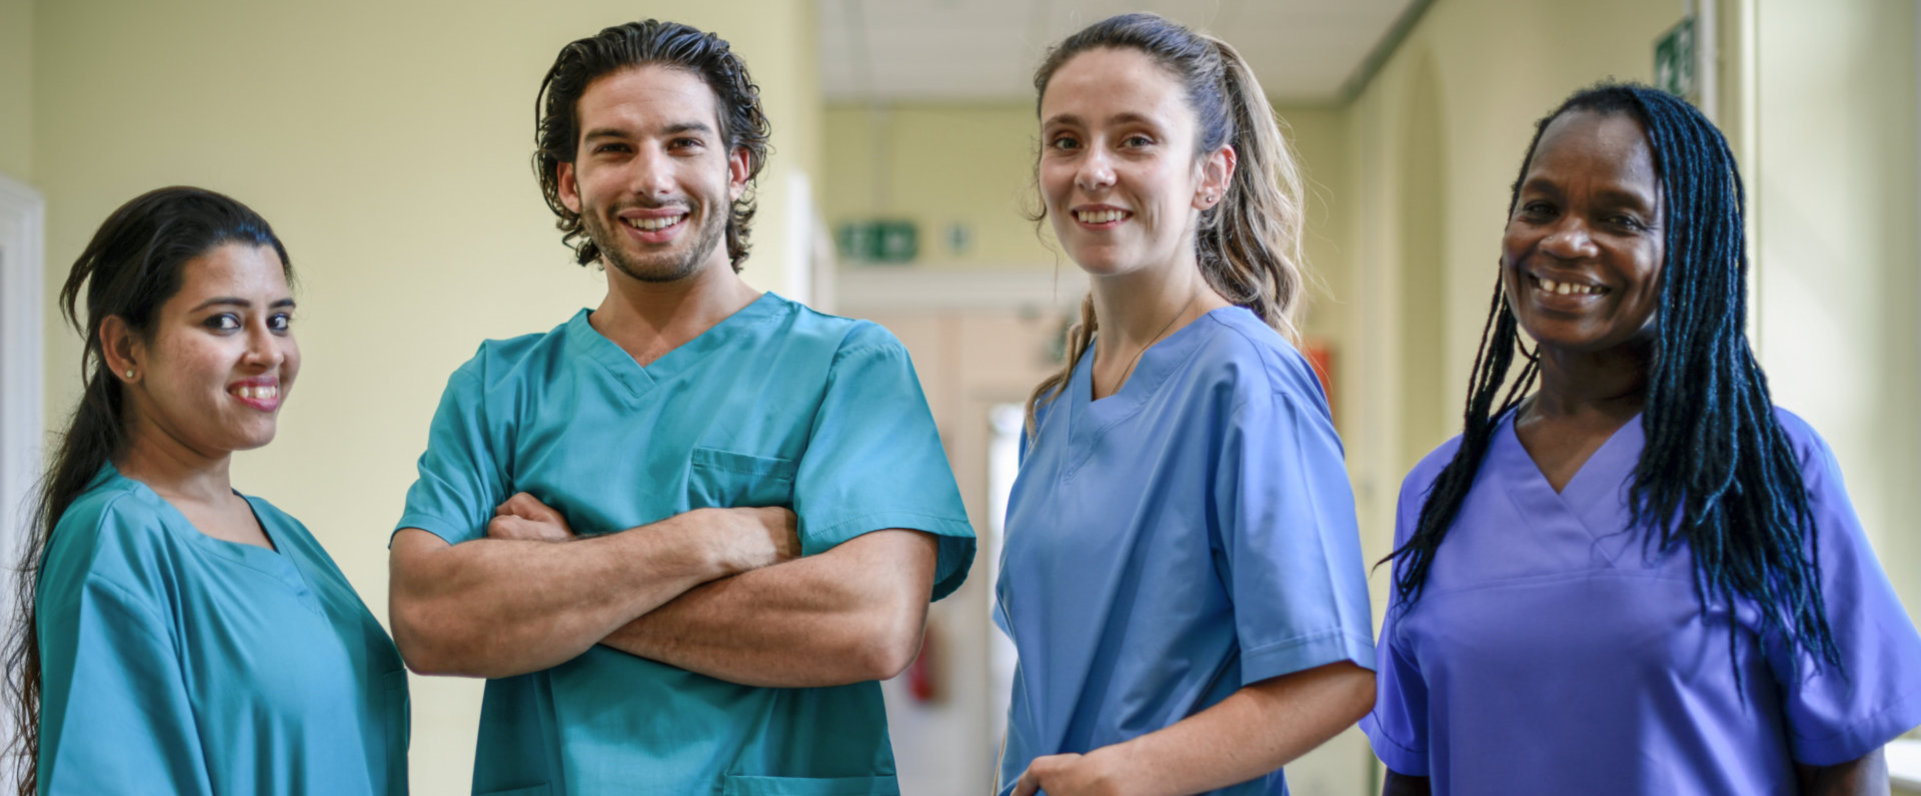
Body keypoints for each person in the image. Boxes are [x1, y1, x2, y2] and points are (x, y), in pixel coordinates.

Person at [386, 19, 975, 794]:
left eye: (683, 143)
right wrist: (708, 539)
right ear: (569, 182)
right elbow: (432, 622)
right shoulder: (502, 385)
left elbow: (868, 624)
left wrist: (563, 580)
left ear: (736, 168)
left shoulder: (846, 367)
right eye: (614, 148)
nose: (652, 179)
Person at [1365, 83, 1921, 795]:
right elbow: (1409, 774)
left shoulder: (1766, 468)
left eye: (1619, 218)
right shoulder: (1441, 490)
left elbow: (1843, 765)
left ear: (1690, 252)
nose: (1564, 240)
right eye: (1539, 208)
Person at [995, 13, 1376, 796]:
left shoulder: (1244, 378)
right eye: (1065, 141)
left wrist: (1126, 773)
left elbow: (1334, 675)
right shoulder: (1055, 408)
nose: (1092, 169)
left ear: (1210, 175)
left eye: (1134, 139)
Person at [5, 186, 409, 795]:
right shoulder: (118, 537)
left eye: (279, 320)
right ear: (124, 349)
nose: (269, 351)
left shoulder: (282, 532)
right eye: (224, 321)